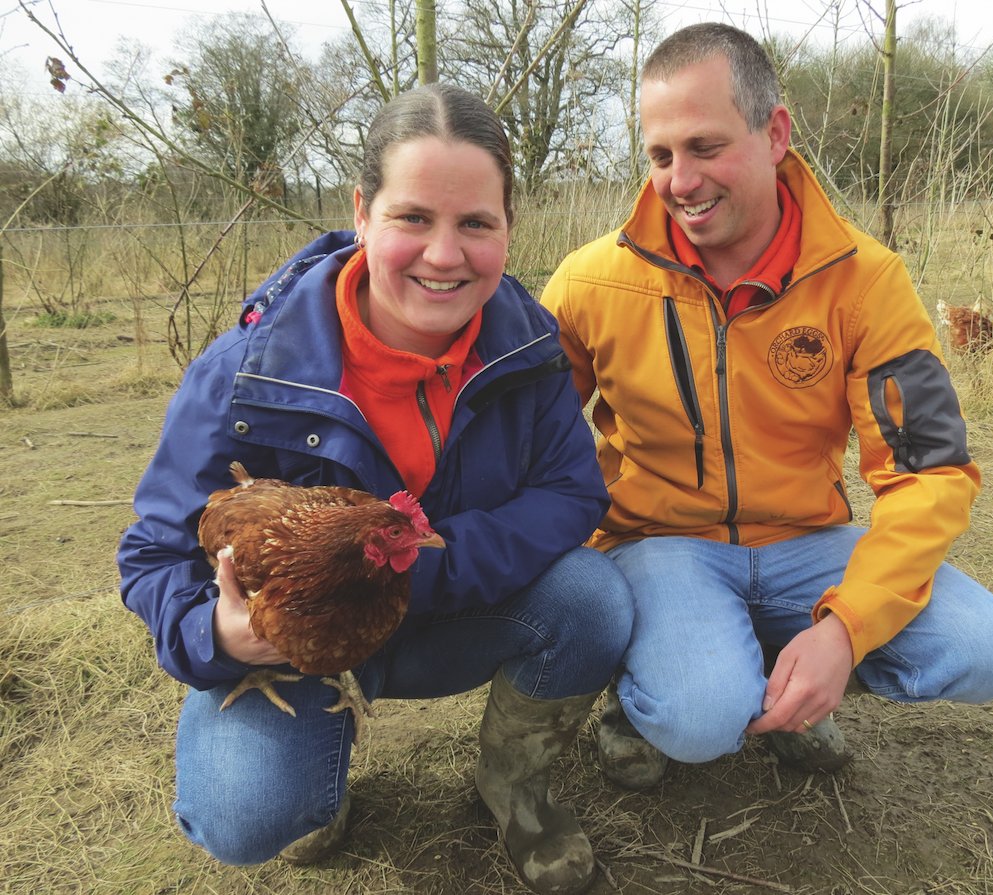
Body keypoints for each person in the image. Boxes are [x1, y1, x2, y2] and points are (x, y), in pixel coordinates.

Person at [117, 83, 632, 895]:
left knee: (591, 597)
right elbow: (152, 552)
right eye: (412, 217)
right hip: (293, 649)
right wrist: (216, 633)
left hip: (448, 614)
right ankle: (310, 788)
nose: (444, 254)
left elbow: (570, 492)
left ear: (508, 226)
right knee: (244, 811)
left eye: (475, 223)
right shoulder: (247, 372)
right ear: (362, 213)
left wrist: (415, 567)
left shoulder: (527, 349)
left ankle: (516, 786)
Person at [539, 23, 993, 790]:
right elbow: (525, 443)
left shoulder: (866, 281)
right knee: (699, 719)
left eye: (704, 147)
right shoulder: (588, 282)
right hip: (661, 546)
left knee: (987, 649)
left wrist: (845, 628)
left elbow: (929, 472)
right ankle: (648, 695)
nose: (680, 180)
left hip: (808, 542)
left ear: (774, 134)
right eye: (660, 155)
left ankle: (786, 682)